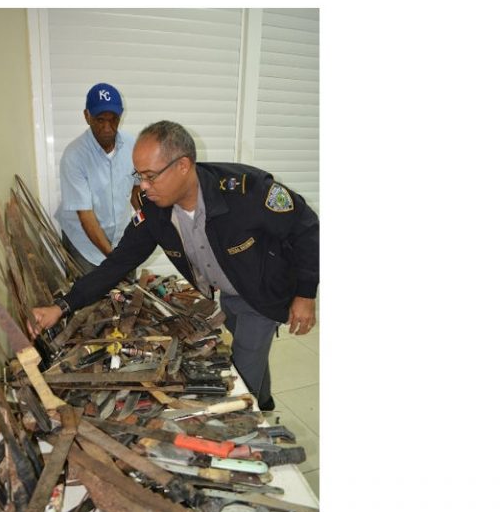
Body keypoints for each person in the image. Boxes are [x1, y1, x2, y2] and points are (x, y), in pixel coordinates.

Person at [33, 120, 319, 411]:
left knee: (242, 370)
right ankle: (265, 400)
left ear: (183, 165)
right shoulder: (155, 211)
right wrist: (62, 306)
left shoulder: (247, 192)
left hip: (264, 291)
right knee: (251, 354)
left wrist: (306, 294)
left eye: (150, 176)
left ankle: (253, 413)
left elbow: (306, 227)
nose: (143, 186)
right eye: (139, 175)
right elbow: (117, 264)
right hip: (230, 292)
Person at [54, 82, 141, 275]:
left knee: (129, 291)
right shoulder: (74, 156)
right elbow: (86, 216)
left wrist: (147, 221)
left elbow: (137, 189)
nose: (107, 128)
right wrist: (115, 259)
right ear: (87, 116)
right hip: (84, 243)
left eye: (113, 120)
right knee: (90, 290)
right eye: (100, 120)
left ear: (121, 116)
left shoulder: (132, 146)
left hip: (119, 238)